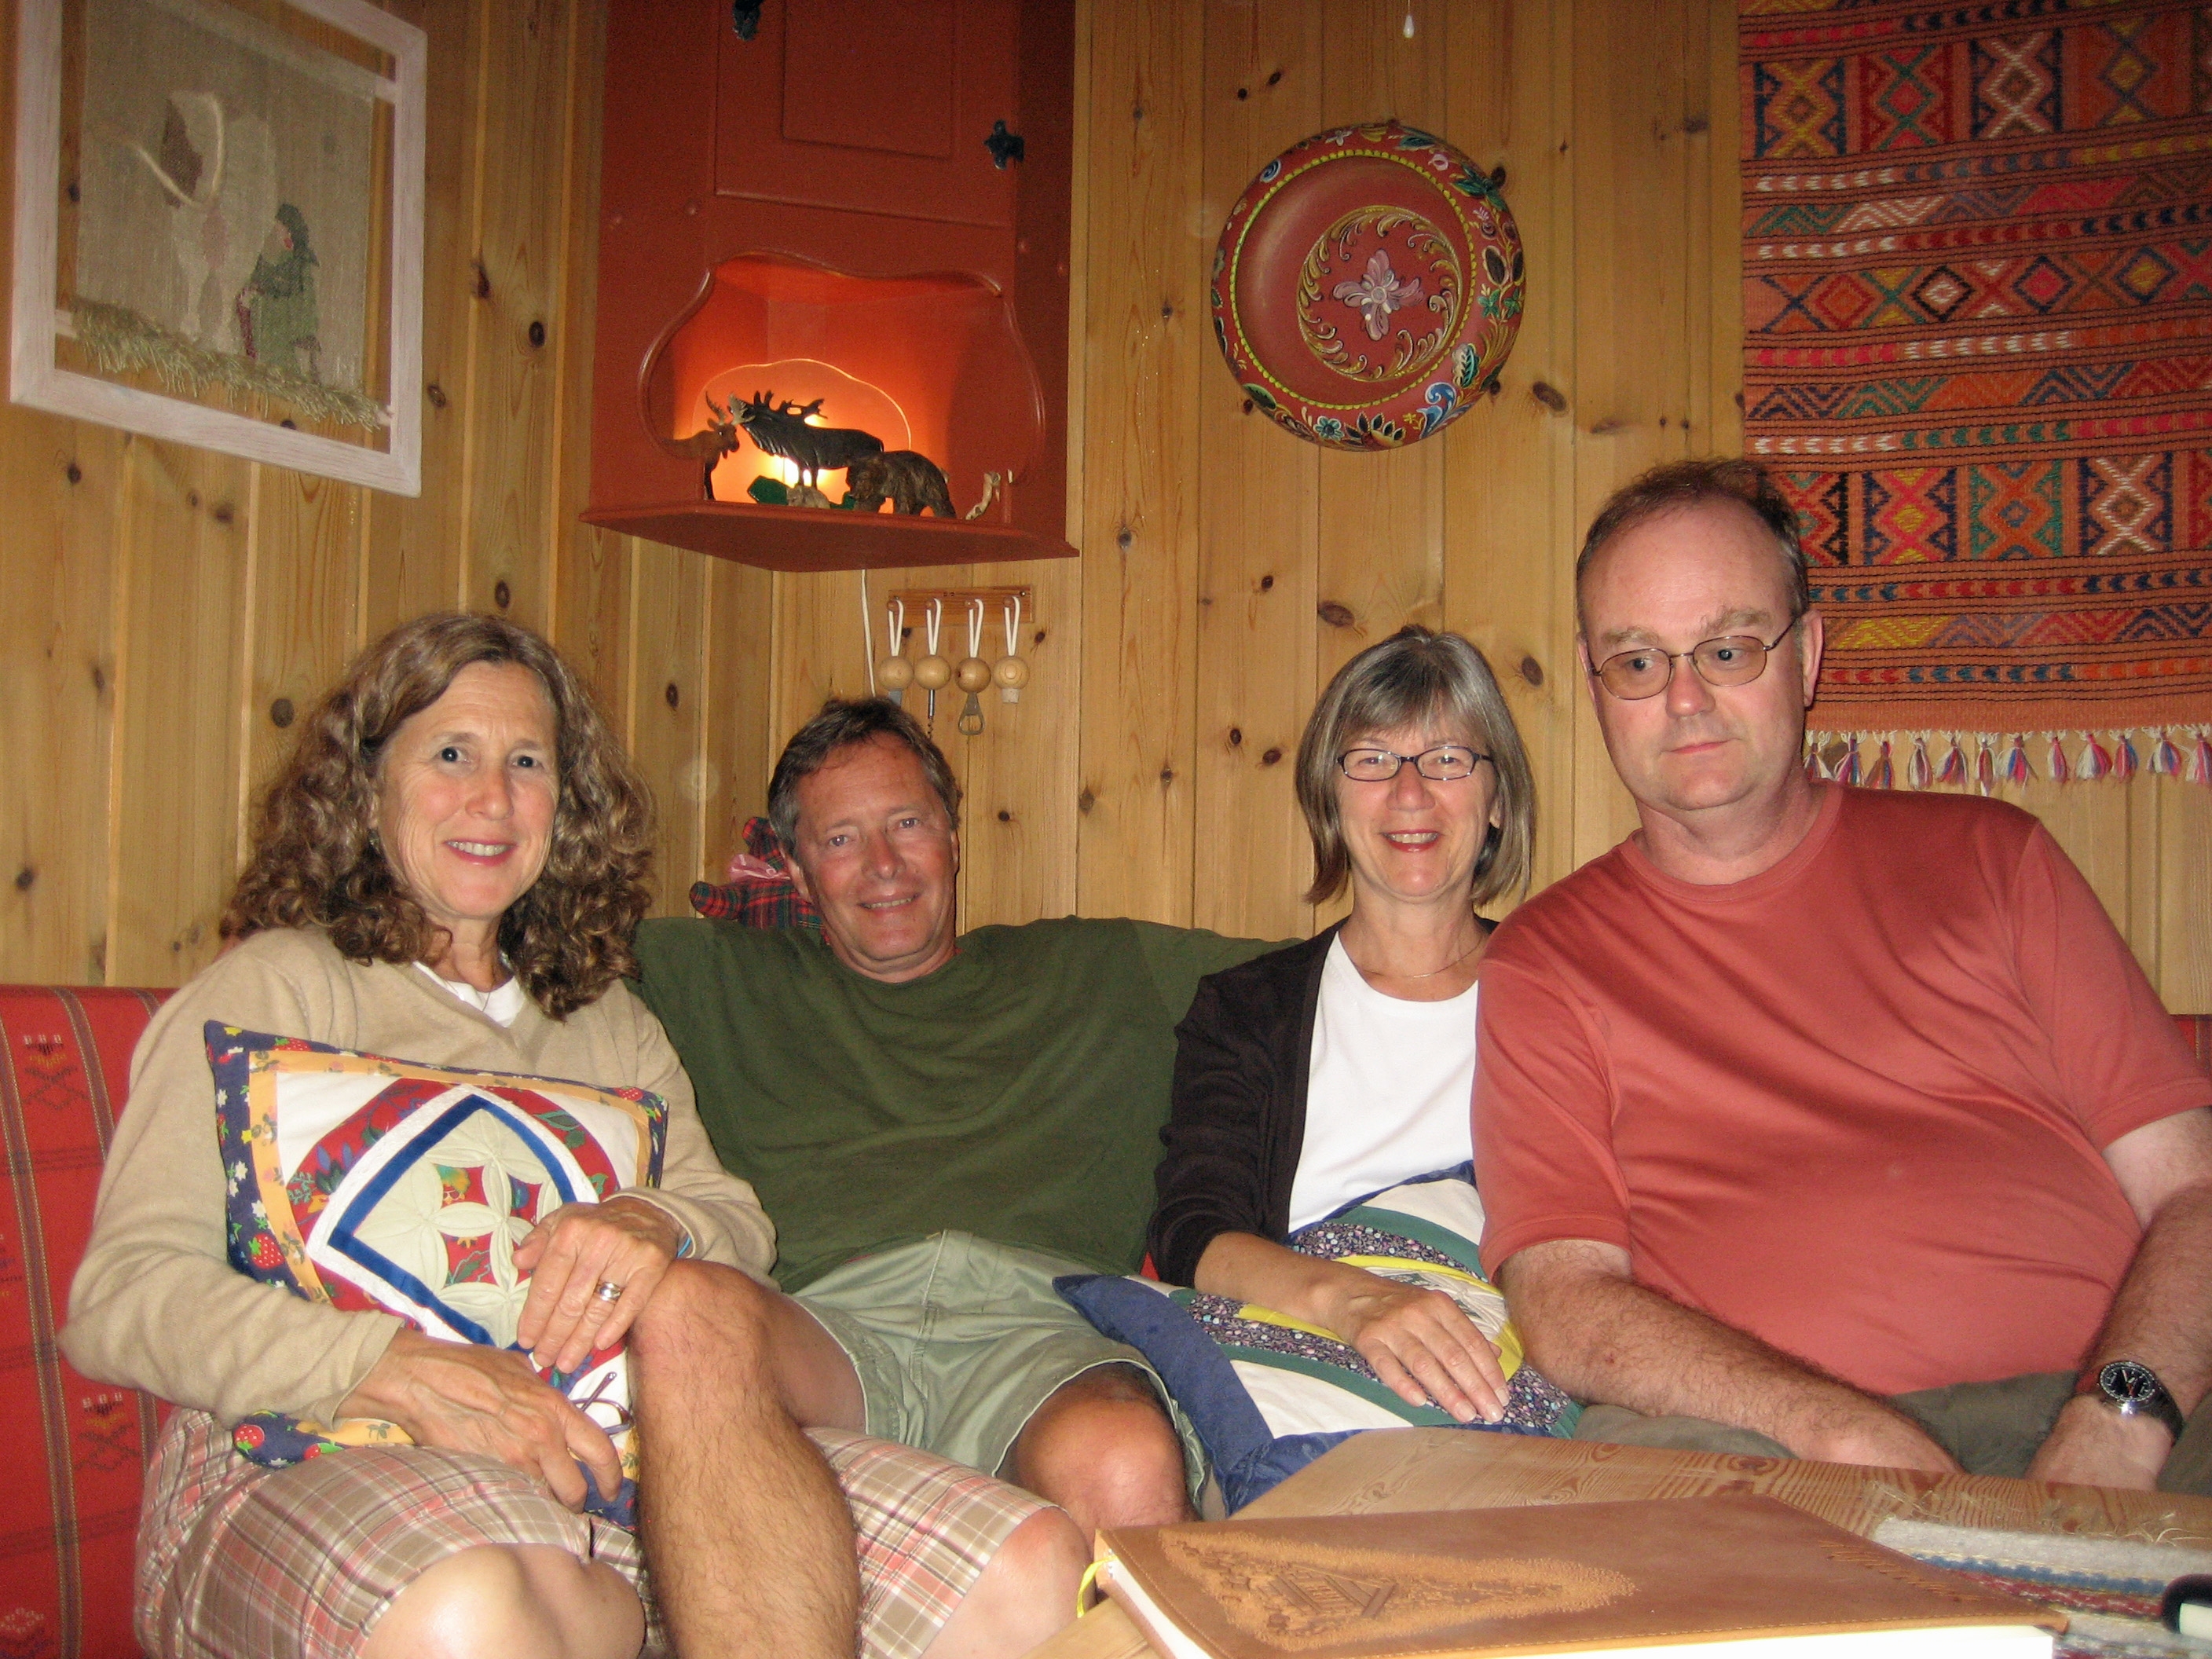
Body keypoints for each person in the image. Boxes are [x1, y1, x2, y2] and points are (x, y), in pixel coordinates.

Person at [64, 614, 1085, 1659]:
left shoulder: (601, 1016)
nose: (492, 798)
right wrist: (392, 1366)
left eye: (527, 763)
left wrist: (653, 1220)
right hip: (315, 1448)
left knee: (1034, 1570)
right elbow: (121, 1296)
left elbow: (737, 1227)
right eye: (450, 754)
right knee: (493, 1611)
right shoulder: (276, 989)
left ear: (567, 804)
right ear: (367, 787)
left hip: (631, 1456)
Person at [1473, 459, 2212, 1492]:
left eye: (1727, 649)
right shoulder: (1546, 961)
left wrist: (2120, 1417)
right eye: (1636, 661)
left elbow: (2192, 1189)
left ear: (1806, 655)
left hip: (2119, 1412)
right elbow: (1565, 1305)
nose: (1684, 698)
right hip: (1767, 1445)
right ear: (1596, 685)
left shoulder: (1995, 860)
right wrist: (1833, 1428)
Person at [628, 698, 1279, 1532]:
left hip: (1043, 1328)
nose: (884, 865)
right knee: (691, 1322)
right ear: (794, 870)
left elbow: (1334, 979)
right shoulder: (711, 976)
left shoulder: (1104, 969)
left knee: (1122, 1460)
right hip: (823, 1331)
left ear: (952, 837)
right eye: (840, 839)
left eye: (907, 824)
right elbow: (529, 959)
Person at [1150, 627, 1534, 1425]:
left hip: (1500, 1376)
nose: (1409, 793)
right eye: (1372, 760)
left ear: (1497, 799)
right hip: (1291, 1359)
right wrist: (1355, 1303)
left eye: (1447, 759)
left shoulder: (1564, 998)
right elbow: (1193, 1229)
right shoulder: (1246, 1010)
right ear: (1328, 797)